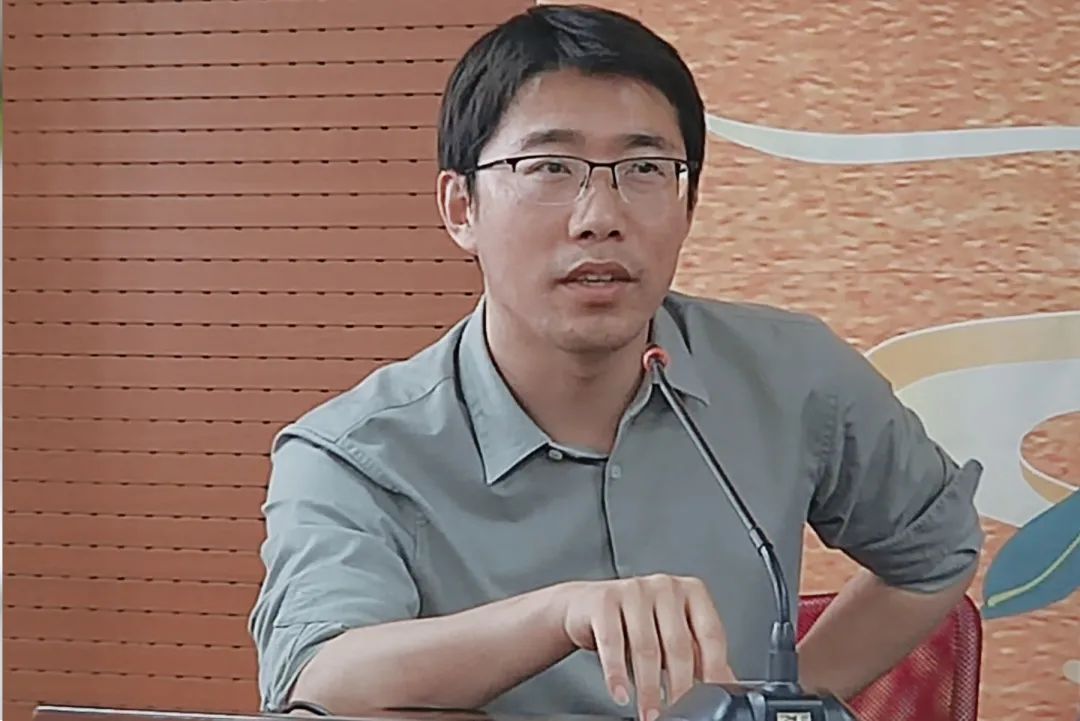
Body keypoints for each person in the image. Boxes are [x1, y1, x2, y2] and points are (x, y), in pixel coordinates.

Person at [248, 5, 983, 720]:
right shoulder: (354, 454)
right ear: (461, 208)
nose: (599, 216)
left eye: (644, 168)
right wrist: (560, 614)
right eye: (549, 167)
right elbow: (318, 675)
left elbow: (937, 550)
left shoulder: (792, 375)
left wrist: (762, 705)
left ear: (688, 205)